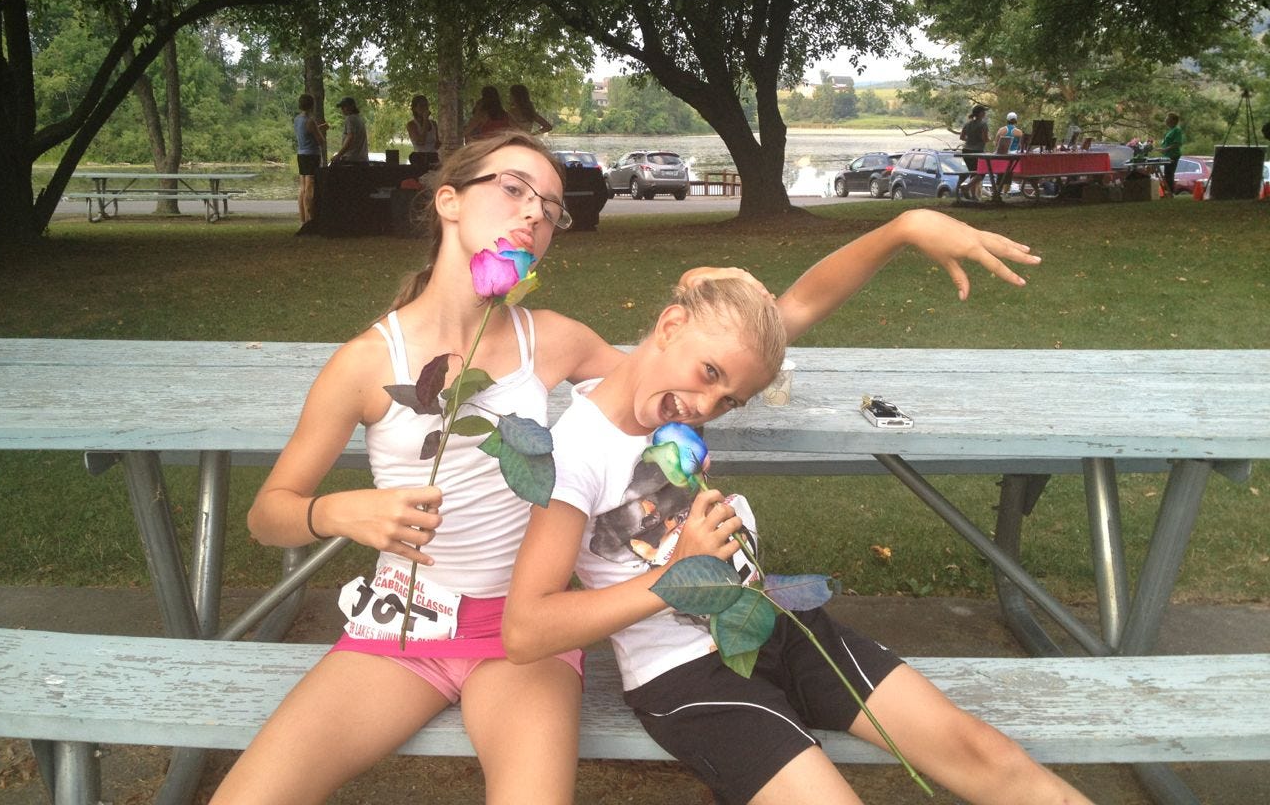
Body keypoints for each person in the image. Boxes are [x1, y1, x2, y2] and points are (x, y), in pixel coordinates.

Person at [208, 128, 1039, 803]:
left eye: (550, 207)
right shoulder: (367, 362)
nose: (533, 213)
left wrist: (895, 232)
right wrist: (335, 512)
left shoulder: (552, 341)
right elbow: (268, 513)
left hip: (522, 645)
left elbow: (742, 339)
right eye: (513, 189)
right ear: (449, 200)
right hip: (406, 625)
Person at [504, 278, 1094, 805]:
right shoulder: (573, 456)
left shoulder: (665, 400)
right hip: (683, 673)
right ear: (669, 325)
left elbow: (798, 302)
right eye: (709, 374)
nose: (706, 407)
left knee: (984, 753)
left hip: (776, 621)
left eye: (728, 401)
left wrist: (903, 228)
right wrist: (678, 573)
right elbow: (527, 630)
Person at [292, 93, 326, 224]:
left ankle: (302, 219)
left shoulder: (297, 119)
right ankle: (309, 220)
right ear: (312, 105)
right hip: (312, 155)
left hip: (301, 154)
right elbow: (320, 140)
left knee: (302, 187)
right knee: (310, 188)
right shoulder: (310, 121)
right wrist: (321, 130)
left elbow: (305, 133)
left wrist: (318, 128)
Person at [957, 104, 990, 200]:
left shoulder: (968, 124)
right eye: (983, 112)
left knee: (974, 173)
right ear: (980, 113)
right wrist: (990, 139)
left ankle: (974, 196)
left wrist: (970, 139)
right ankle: (966, 187)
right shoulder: (983, 124)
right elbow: (985, 139)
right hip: (977, 151)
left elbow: (962, 137)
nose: (985, 113)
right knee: (982, 172)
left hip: (966, 151)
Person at [405, 94, 440, 177]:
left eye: (426, 105)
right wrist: (425, 120)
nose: (425, 108)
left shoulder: (434, 123)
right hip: (420, 157)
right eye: (421, 106)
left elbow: (437, 143)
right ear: (415, 109)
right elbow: (421, 141)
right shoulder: (412, 125)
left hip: (433, 157)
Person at [330, 96, 369, 164]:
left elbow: (350, 137)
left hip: (351, 160)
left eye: (344, 106)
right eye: (341, 107)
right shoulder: (359, 119)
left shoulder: (350, 119)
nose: (342, 109)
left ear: (352, 106)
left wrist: (339, 155)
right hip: (362, 160)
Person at [1158, 112, 1183, 197]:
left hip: (1173, 155)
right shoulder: (1170, 130)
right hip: (1167, 155)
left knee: (1169, 174)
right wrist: (1162, 149)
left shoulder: (1177, 130)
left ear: (1173, 120)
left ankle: (1170, 192)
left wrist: (1165, 149)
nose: (1165, 120)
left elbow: (1177, 143)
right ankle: (1168, 192)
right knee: (1167, 174)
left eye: (1167, 118)